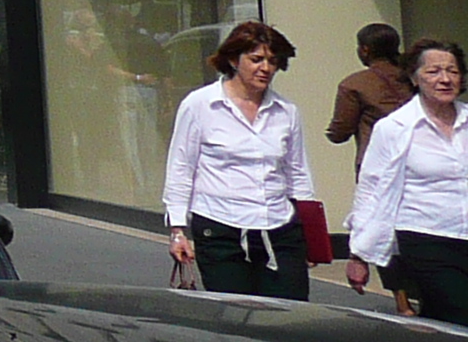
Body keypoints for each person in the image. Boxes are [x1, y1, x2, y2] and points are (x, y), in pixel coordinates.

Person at [163, 19, 318, 301]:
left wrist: (311, 236)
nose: (266, 68)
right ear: (234, 60)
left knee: (289, 315)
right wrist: (177, 229)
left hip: (278, 228)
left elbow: (297, 174)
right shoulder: (200, 105)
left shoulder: (286, 111)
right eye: (256, 59)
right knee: (236, 318)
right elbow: (181, 168)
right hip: (220, 229)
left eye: (273, 61)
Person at [349, 38, 468, 325]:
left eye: (452, 71)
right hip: (426, 237)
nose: (444, 79)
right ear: (414, 78)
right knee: (459, 312)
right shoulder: (395, 128)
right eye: (433, 72)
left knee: (443, 320)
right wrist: (358, 253)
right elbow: (371, 189)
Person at [327, 23, 413, 176]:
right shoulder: (415, 78)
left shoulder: (354, 84)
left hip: (376, 165)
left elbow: (340, 133)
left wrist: (331, 133)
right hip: (418, 159)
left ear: (365, 50)